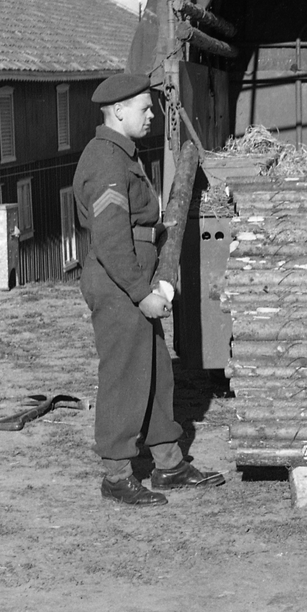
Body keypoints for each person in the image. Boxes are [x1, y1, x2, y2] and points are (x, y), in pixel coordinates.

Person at [74, 73, 226, 506]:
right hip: (119, 284)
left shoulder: (123, 153)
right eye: (145, 107)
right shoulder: (105, 159)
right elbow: (111, 240)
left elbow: (136, 225)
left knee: (157, 374)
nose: (152, 114)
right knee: (124, 376)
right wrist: (141, 293)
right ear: (119, 111)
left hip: (135, 280)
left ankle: (169, 465)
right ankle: (117, 475)